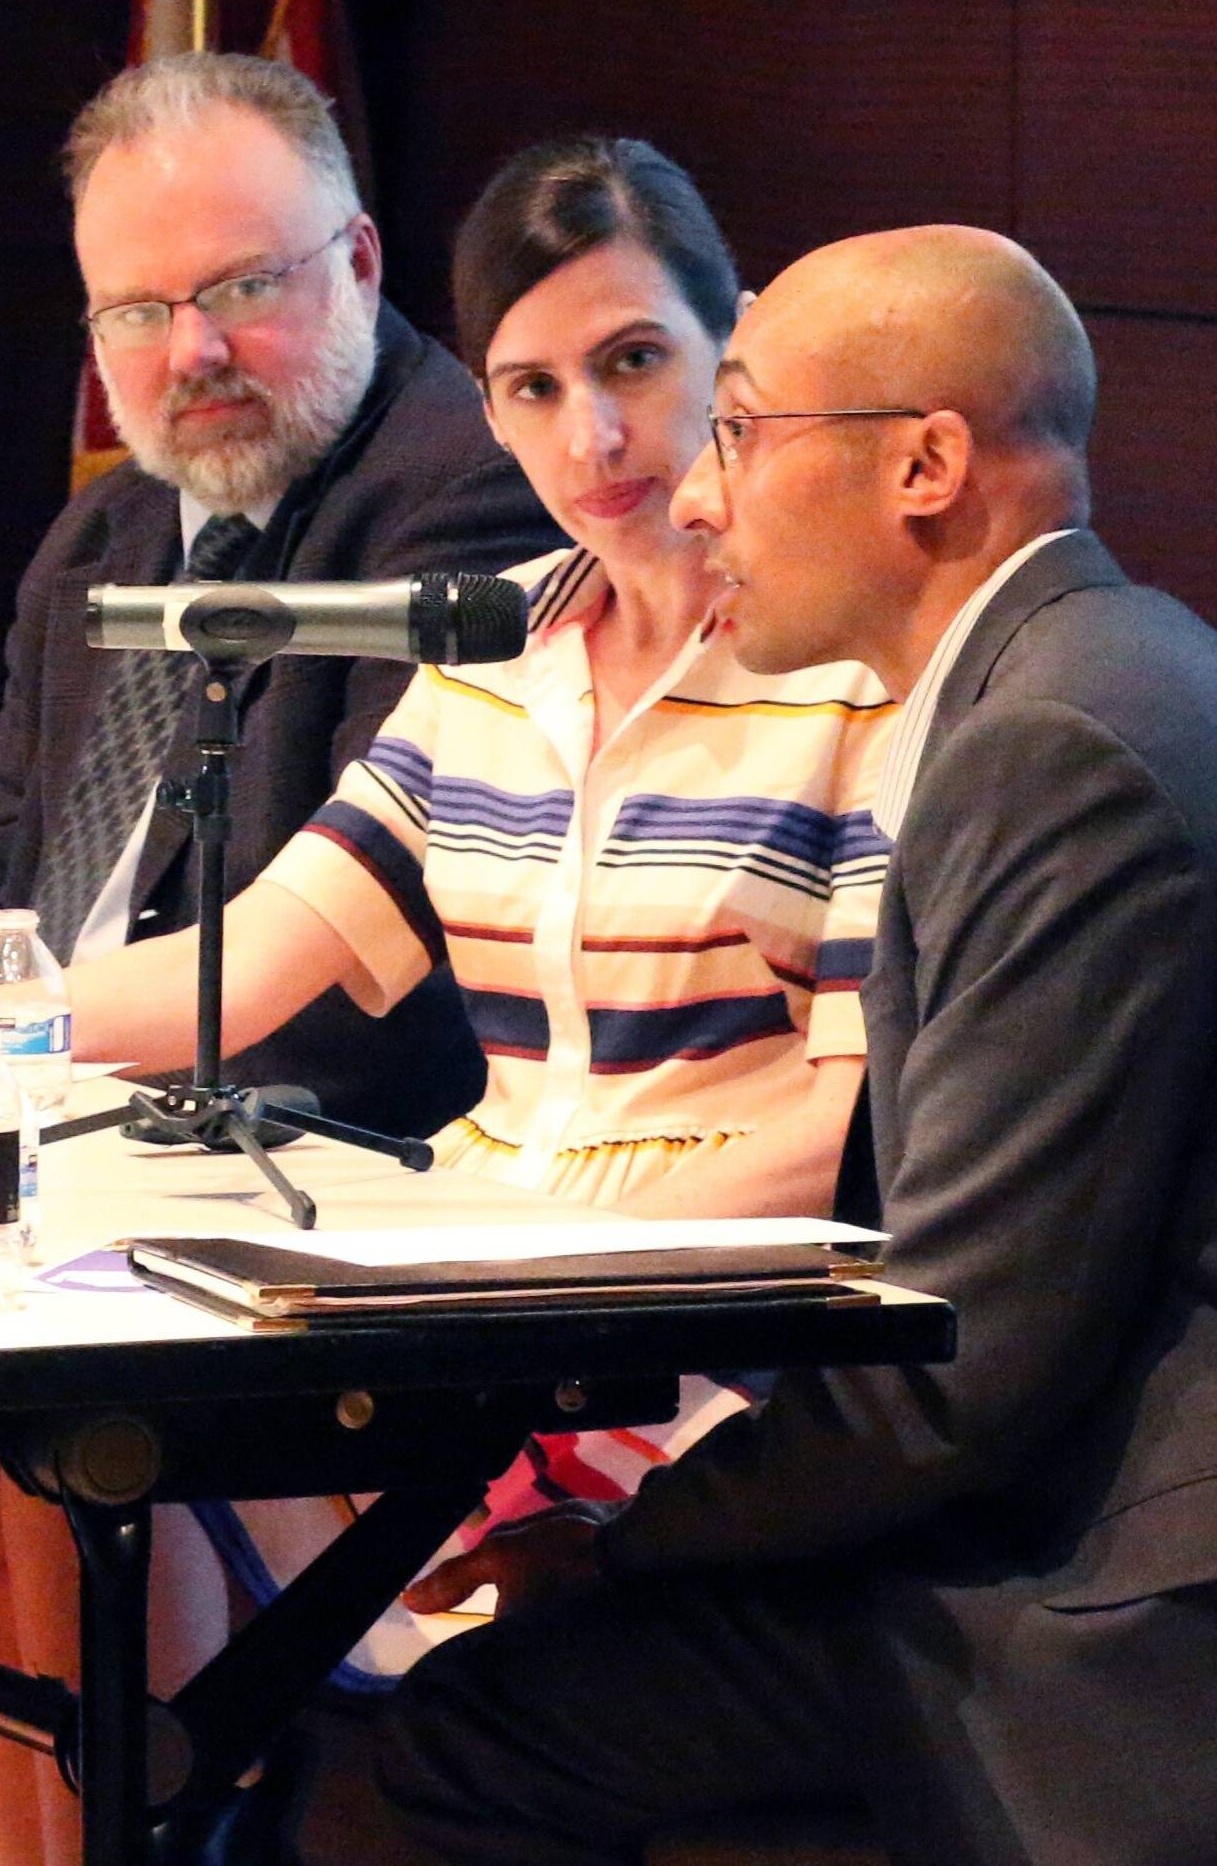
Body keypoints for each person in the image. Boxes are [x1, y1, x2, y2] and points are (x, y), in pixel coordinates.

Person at [0, 136, 894, 1866]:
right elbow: (245, 965)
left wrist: (533, 1254)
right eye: (534, 385)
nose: (590, 437)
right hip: (460, 1325)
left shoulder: (842, 673)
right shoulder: (494, 652)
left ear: (729, 361)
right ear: (489, 406)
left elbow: (847, 1119)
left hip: (673, 1360)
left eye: (636, 365)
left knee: (83, 1480)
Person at [367, 228, 1217, 1863]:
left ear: (925, 463)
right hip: (1066, 1508)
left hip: (1119, 1602)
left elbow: (955, 1364)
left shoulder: (1054, 743)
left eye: (739, 430)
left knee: (473, 1726)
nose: (695, 494)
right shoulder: (1086, 680)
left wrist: (629, 1543)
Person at [0, 50, 560, 1145]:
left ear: (362, 264)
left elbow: (346, 989)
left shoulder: (469, 494)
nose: (194, 351)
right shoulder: (104, 535)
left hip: (280, 1146)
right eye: (138, 312)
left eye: (244, 286)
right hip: (45, 1102)